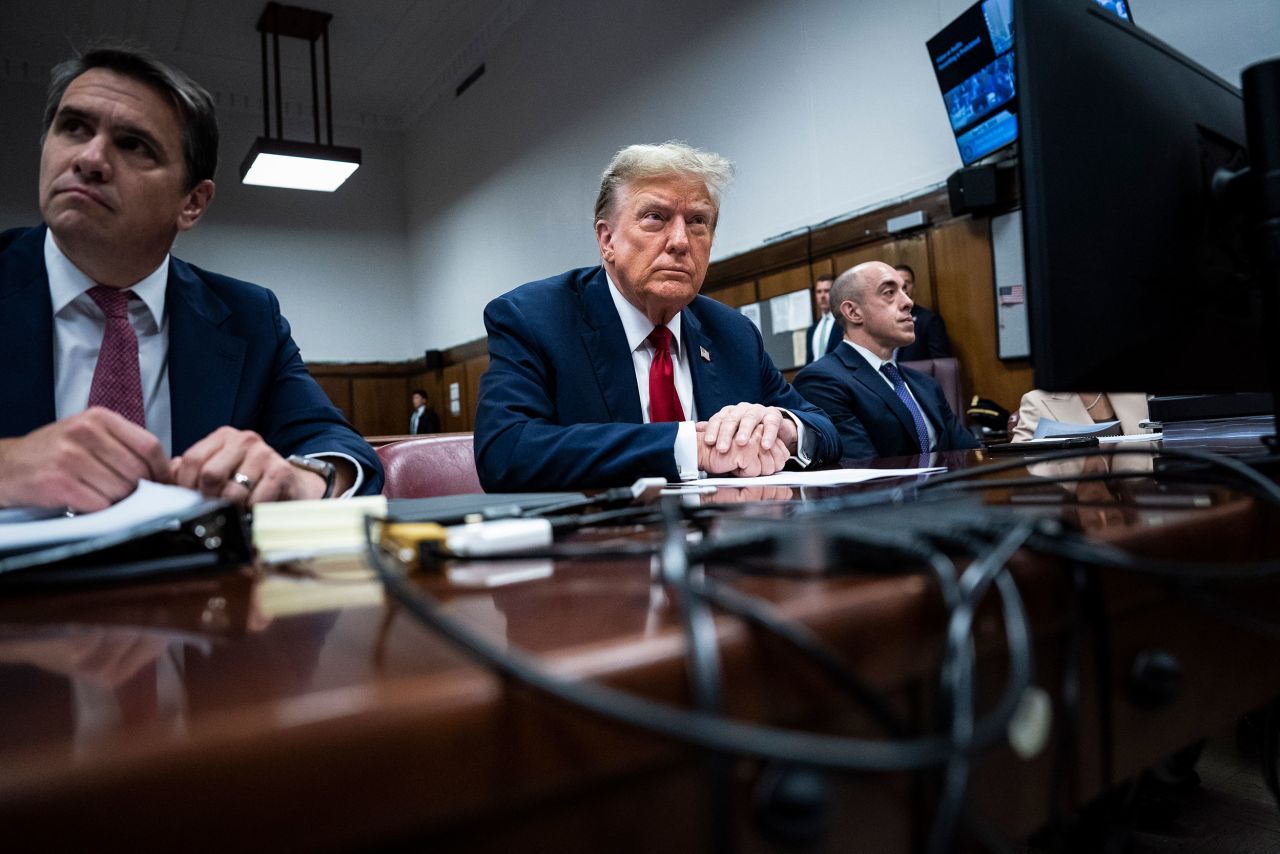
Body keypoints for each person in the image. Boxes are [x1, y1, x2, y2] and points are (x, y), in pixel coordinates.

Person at [0, 47, 382, 512]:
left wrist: (300, 478)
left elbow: (335, 446)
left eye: (133, 144)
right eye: (73, 127)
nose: (90, 159)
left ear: (192, 204)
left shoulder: (249, 317)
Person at [474, 141, 841, 491]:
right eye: (655, 217)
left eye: (698, 221)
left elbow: (825, 427)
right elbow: (506, 452)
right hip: (605, 547)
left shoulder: (734, 333)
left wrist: (784, 430)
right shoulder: (535, 317)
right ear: (607, 240)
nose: (681, 241)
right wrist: (685, 446)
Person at [793, 261, 978, 460]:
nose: (908, 302)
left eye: (904, 290)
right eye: (889, 293)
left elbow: (970, 455)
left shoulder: (927, 384)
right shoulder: (822, 382)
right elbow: (865, 473)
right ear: (853, 312)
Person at [1011, 391, 1150, 442]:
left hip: (1133, 497)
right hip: (1073, 497)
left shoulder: (1134, 393)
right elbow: (1017, 462)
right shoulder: (1036, 401)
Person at [893, 264, 953, 362]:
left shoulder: (930, 320)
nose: (903, 286)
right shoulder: (885, 321)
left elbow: (942, 365)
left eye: (907, 282)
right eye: (898, 282)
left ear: (914, 287)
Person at [804, 274, 840, 364]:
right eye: (819, 292)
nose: (822, 296)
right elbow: (809, 362)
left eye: (827, 291)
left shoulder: (844, 324)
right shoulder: (811, 330)